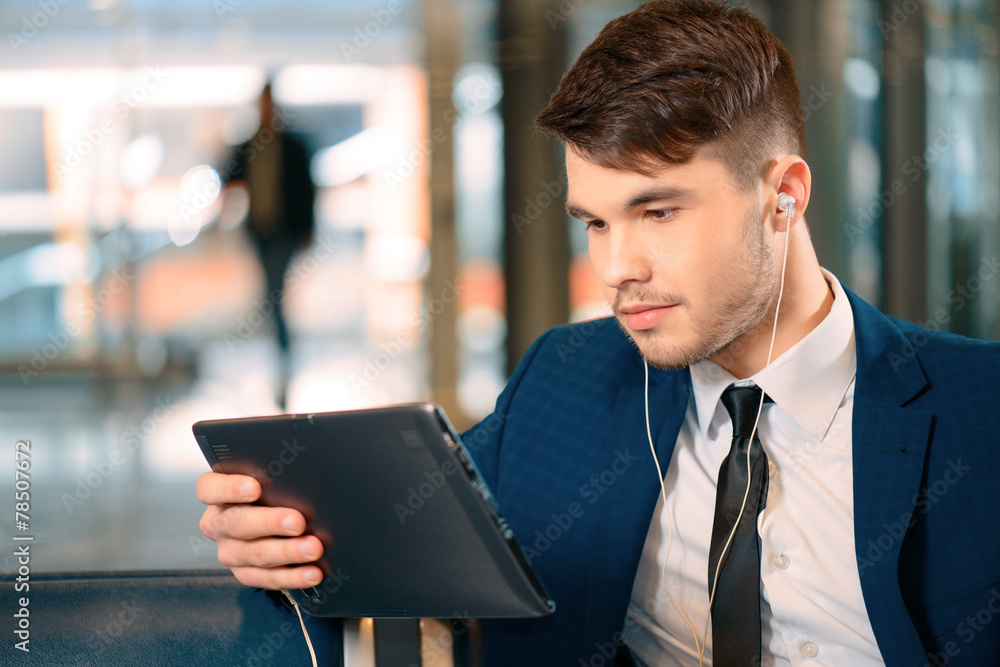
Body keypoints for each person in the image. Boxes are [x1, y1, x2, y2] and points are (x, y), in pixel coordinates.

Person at [197, 1, 1000, 665]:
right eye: (594, 223)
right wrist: (275, 537)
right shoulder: (567, 379)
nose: (617, 267)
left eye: (657, 212)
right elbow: (394, 527)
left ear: (782, 196)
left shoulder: (980, 408)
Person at [223, 82, 316, 409]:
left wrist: (307, 229)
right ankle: (281, 345)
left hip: (285, 231)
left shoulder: (293, 145)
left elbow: (307, 190)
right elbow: (228, 175)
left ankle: (283, 348)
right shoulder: (249, 145)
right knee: (270, 291)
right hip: (259, 231)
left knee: (274, 291)